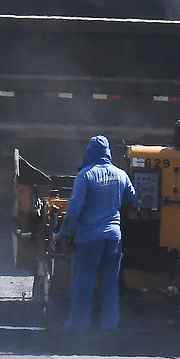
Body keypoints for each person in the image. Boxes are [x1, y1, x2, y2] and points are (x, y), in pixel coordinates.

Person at [58, 135, 139, 331]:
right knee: (110, 284)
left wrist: (63, 233)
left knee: (83, 283)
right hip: (113, 238)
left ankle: (78, 327)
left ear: (89, 153)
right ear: (108, 153)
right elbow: (134, 198)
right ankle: (110, 327)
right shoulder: (120, 175)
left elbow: (75, 207)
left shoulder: (85, 176)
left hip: (88, 239)